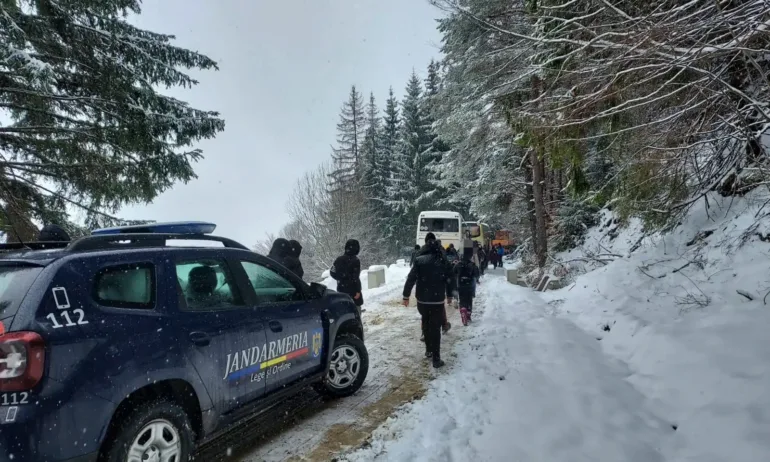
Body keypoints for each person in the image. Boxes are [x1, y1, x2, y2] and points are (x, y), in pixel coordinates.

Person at [403, 232, 455, 368]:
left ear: (425, 244)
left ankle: (428, 350)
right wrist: (449, 295)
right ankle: (436, 359)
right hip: (437, 299)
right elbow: (450, 278)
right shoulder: (442, 259)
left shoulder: (419, 260)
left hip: (422, 300)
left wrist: (406, 296)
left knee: (425, 323)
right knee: (435, 327)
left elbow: (411, 278)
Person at [330, 239, 364, 310]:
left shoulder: (338, 259)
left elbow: (332, 272)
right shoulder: (355, 260)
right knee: (356, 309)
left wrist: (341, 279)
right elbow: (356, 277)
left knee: (344, 309)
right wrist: (358, 291)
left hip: (341, 289)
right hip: (353, 290)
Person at [454, 247, 480, 326]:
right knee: (469, 299)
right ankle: (468, 314)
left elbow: (453, 272)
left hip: (460, 285)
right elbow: (477, 274)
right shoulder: (472, 265)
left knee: (462, 300)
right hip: (469, 285)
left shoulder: (458, 264)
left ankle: (463, 310)